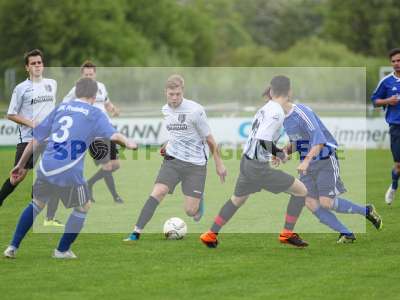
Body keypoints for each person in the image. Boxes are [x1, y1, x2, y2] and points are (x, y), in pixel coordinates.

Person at [3, 78, 137, 259]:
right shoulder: (94, 113)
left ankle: (12, 247)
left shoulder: (61, 108)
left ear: (76, 92)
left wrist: (20, 165)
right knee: (84, 206)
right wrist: (128, 142)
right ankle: (62, 250)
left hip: (46, 165)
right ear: (94, 94)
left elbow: (36, 139)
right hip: (68, 170)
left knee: (37, 203)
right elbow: (113, 135)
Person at [200, 76, 309, 249]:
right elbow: (262, 140)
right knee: (302, 191)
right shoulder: (276, 112)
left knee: (237, 199)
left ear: (271, 91)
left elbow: (261, 140)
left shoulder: (266, 108)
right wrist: (280, 154)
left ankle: (211, 234)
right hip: (258, 168)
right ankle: (287, 233)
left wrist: (273, 152)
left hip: (247, 162)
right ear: (289, 92)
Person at [274, 75, 382, 243]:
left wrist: (306, 160)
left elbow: (319, 139)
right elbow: (297, 140)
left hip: (325, 159)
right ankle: (346, 233)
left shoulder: (302, 112)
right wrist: (284, 153)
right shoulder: (283, 119)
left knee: (326, 202)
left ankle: (366, 210)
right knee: (310, 202)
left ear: (287, 93)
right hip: (307, 164)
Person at [124, 74, 227, 242]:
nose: (174, 98)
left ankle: (199, 199)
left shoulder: (195, 110)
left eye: (178, 94)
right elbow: (177, 133)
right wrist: (167, 146)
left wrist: (219, 164)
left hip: (195, 165)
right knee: (158, 192)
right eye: (171, 94)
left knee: (190, 212)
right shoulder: (165, 109)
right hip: (172, 160)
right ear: (166, 92)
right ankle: (136, 232)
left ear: (182, 91)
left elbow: (210, 140)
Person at [0, 49, 63, 227]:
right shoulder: (21, 89)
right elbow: (10, 114)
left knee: (54, 174)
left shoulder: (52, 83)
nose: (37, 66)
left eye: (39, 63)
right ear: (27, 67)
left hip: (50, 139)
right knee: (17, 177)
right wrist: (32, 123)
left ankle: (48, 217)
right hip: (29, 139)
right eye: (33, 63)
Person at [63, 61, 124, 203]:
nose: (89, 77)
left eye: (91, 74)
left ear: (95, 74)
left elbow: (107, 103)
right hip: (92, 133)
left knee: (116, 165)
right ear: (82, 75)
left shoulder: (101, 87)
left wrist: (114, 110)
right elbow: (64, 105)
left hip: (107, 130)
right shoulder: (77, 90)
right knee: (107, 165)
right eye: (86, 74)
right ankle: (116, 197)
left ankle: (89, 183)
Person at [371, 48, 400, 205]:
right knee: (398, 166)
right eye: (394, 61)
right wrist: (388, 100)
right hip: (397, 128)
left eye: (399, 60)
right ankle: (394, 186)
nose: (396, 64)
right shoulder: (386, 82)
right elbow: (374, 100)